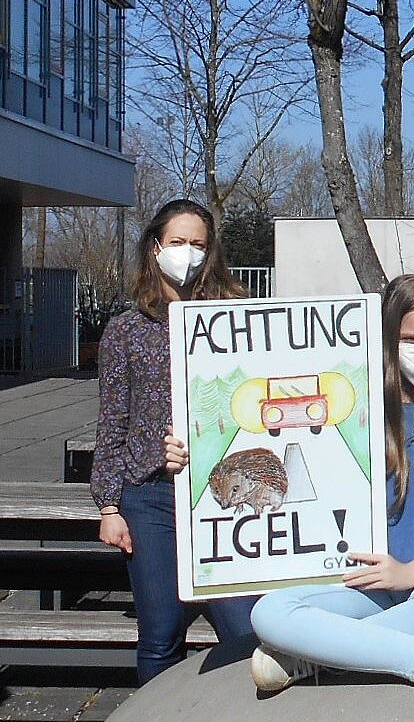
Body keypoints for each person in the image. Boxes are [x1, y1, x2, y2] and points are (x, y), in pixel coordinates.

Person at [186, 273, 414, 699]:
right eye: (411, 338)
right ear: (385, 336)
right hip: (355, 585)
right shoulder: (354, 411)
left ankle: (313, 656)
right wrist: (188, 456)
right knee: (271, 613)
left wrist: (407, 574)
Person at [91, 198, 256, 683]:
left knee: (244, 629)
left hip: (224, 496)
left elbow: (253, 406)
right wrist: (108, 507)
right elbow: (112, 422)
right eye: (178, 242)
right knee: (160, 634)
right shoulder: (124, 330)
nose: (188, 253)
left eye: (199, 245)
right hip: (150, 498)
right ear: (156, 247)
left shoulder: (234, 321)